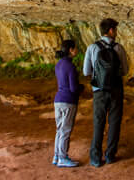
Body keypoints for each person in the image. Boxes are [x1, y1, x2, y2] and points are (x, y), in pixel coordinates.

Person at [82, 18, 129, 167]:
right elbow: (125, 71)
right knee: (114, 122)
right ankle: (110, 155)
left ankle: (95, 158)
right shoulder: (119, 48)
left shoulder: (92, 48)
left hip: (99, 91)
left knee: (98, 122)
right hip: (116, 89)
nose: (116, 32)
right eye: (115, 29)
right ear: (110, 30)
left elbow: (86, 71)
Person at [53, 38, 83, 168]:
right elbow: (73, 88)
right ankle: (63, 157)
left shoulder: (59, 64)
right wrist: (82, 87)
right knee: (65, 130)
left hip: (58, 99)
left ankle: (57, 155)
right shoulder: (70, 66)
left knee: (59, 129)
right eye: (75, 48)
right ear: (71, 50)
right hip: (68, 101)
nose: (77, 50)